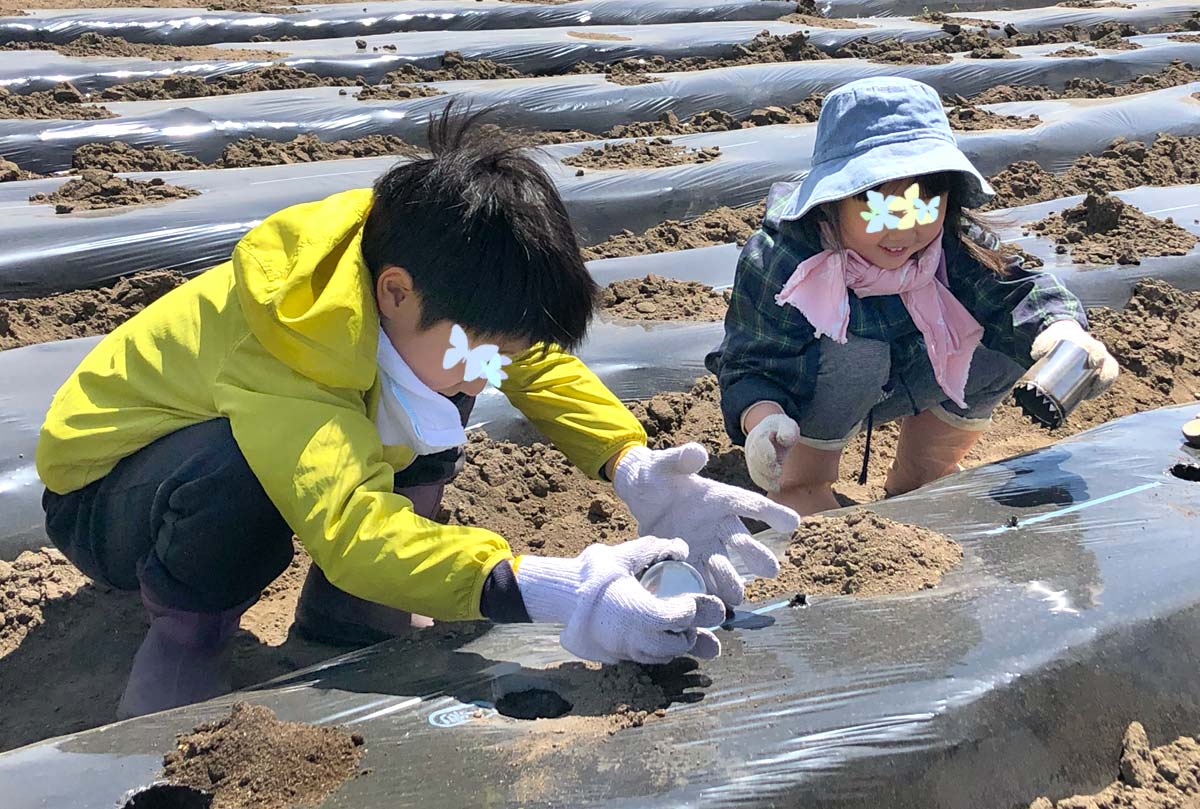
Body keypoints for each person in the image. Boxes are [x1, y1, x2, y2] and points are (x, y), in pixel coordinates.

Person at [36, 110, 798, 719]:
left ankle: (344, 633)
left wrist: (629, 465)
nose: (494, 363)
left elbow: (522, 358)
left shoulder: (426, 281)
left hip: (276, 421)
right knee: (240, 472)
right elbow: (352, 529)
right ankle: (187, 636)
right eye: (485, 341)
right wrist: (541, 585)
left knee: (437, 389)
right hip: (108, 496)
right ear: (394, 292)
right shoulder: (288, 339)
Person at [706, 77, 1120, 516]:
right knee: (860, 351)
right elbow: (751, 361)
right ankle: (803, 483)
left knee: (1012, 341)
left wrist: (1064, 333)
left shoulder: (950, 243)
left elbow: (1015, 293)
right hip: (811, 398)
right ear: (834, 200)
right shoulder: (785, 259)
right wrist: (763, 421)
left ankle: (922, 472)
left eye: (923, 205)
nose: (904, 230)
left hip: (907, 378)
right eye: (879, 208)